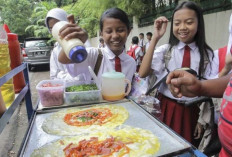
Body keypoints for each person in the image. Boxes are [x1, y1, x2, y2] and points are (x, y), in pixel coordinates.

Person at [139, 1, 218, 145]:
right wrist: (155, 37)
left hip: (194, 112)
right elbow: (143, 72)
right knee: (164, 145)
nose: (182, 28)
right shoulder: (166, 51)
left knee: (188, 148)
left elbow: (210, 91)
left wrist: (202, 120)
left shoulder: (208, 55)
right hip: (167, 108)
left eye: (189, 22)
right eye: (177, 23)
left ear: (199, 23)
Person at [57, 8, 136, 83]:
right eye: (109, 31)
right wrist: (73, 41)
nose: (115, 36)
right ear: (101, 34)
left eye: (120, 30)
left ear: (128, 32)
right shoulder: (93, 55)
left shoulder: (131, 63)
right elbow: (63, 60)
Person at [45, 8, 90, 80]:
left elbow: (85, 74)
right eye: (51, 28)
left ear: (66, 23)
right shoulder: (55, 50)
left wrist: (61, 75)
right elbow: (53, 77)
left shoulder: (82, 42)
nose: (56, 30)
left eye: (58, 25)